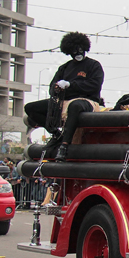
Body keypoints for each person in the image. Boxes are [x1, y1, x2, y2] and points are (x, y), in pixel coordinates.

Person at [24, 32, 104, 161]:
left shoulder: (94, 65)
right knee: (31, 108)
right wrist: (57, 88)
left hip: (87, 101)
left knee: (75, 106)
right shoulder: (65, 68)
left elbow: (94, 85)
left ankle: (64, 145)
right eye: (74, 51)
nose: (77, 53)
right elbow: (52, 88)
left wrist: (70, 85)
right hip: (64, 101)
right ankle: (56, 133)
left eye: (79, 50)